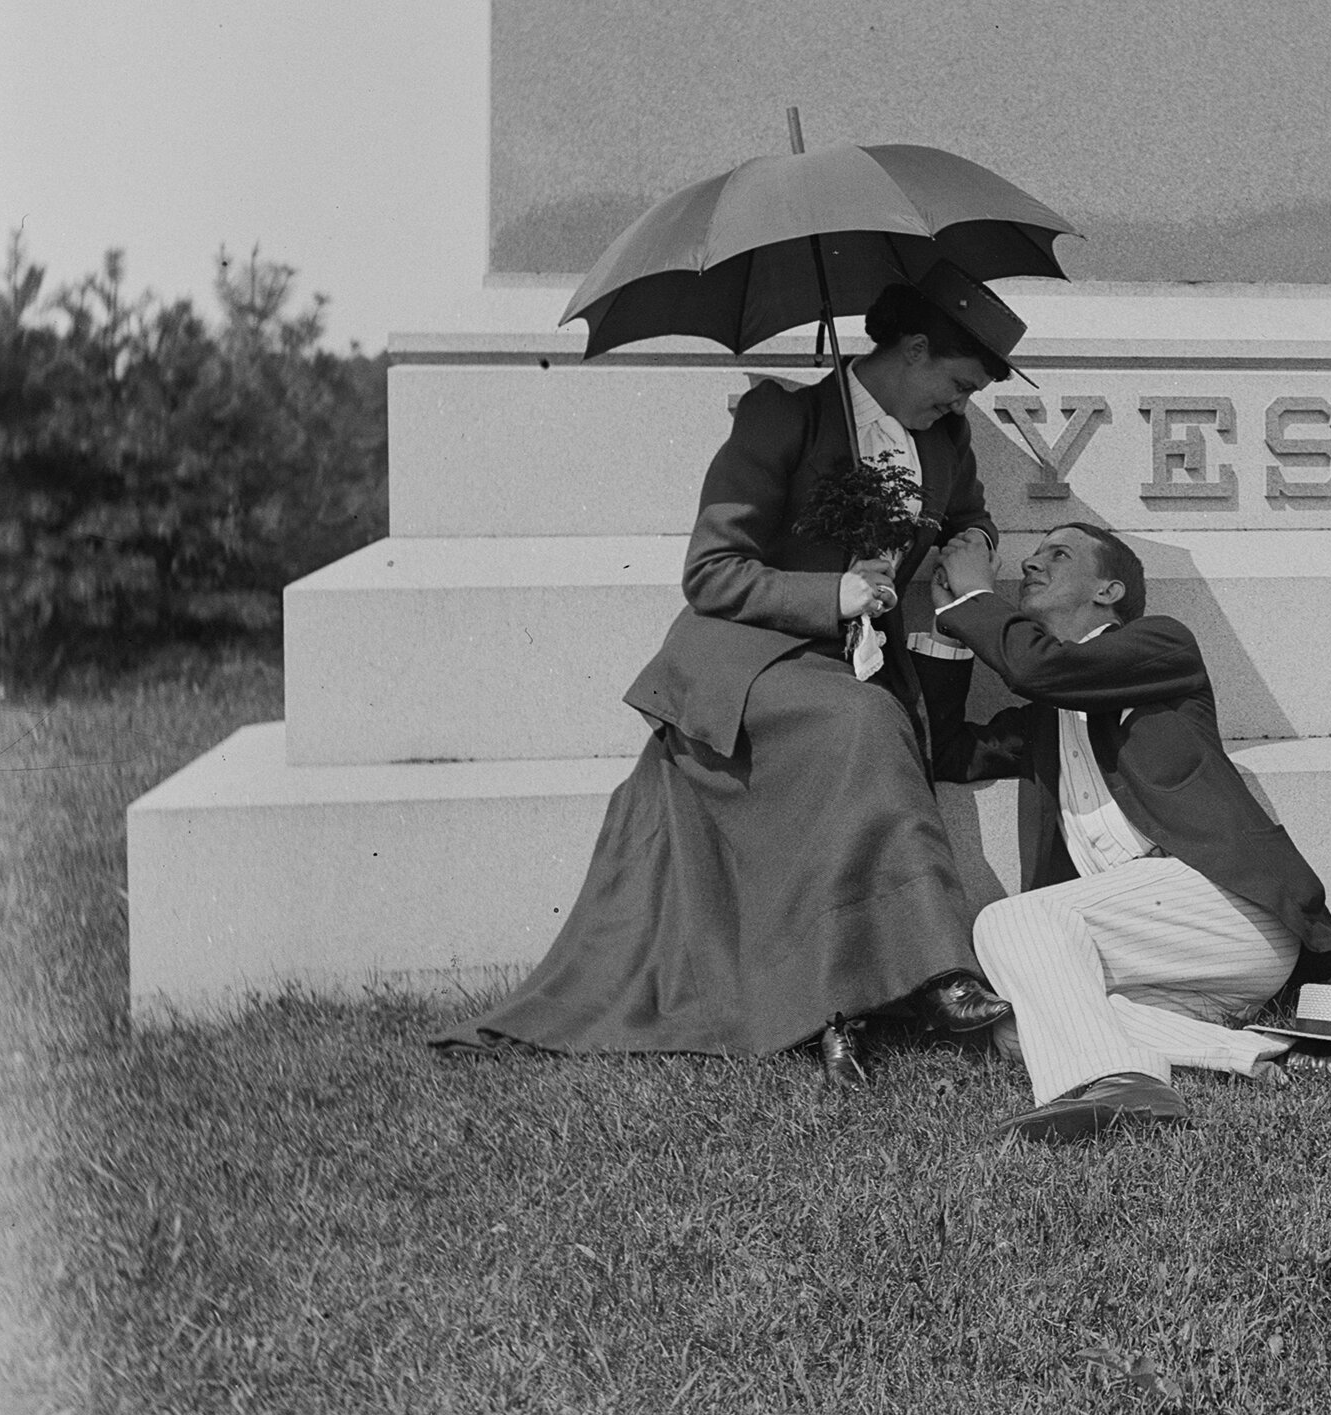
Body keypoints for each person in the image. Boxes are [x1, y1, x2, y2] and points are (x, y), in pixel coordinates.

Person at [436, 258, 1025, 1082]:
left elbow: (968, 513)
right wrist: (836, 591)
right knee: (858, 726)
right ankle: (937, 973)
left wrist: (978, 546)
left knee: (863, 720)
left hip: (854, 665)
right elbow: (711, 572)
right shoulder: (783, 418)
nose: (959, 406)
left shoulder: (945, 440)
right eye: (956, 383)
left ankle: (844, 1004)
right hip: (752, 659)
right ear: (915, 350)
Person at [929, 522, 1331, 1143]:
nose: (1030, 563)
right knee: (1016, 1021)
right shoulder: (1042, 719)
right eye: (1035, 552)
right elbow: (947, 752)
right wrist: (948, 632)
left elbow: (1042, 670)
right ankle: (1286, 1058)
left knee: (1006, 922)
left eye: (1058, 554)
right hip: (1156, 955)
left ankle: (1120, 1083)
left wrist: (975, 597)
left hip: (1229, 906)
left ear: (1109, 589)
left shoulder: (1162, 644)